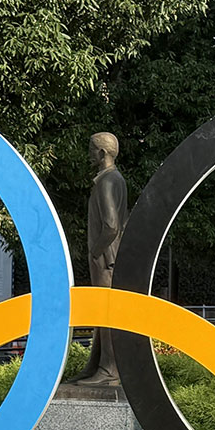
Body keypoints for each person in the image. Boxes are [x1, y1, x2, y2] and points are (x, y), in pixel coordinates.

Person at [72, 132, 129, 385]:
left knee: (106, 312)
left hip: (106, 259)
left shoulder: (107, 181)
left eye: (92, 149)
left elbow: (111, 226)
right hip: (109, 257)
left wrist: (95, 251)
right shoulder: (115, 179)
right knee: (101, 312)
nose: (89, 154)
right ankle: (97, 364)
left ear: (102, 154)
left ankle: (108, 370)